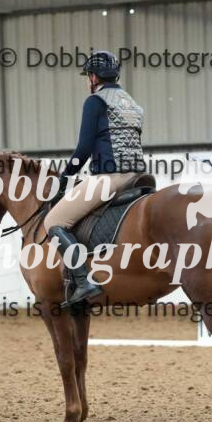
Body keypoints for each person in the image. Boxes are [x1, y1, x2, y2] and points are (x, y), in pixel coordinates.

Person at [44, 50, 146, 306]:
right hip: (139, 176)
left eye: (88, 76)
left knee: (53, 221)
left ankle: (83, 281)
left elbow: (84, 149)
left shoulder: (95, 101)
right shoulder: (132, 103)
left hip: (110, 178)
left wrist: (65, 178)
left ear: (93, 77)